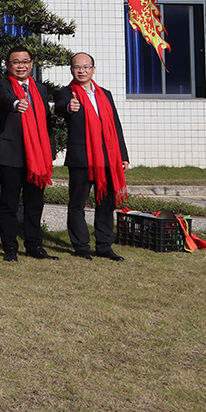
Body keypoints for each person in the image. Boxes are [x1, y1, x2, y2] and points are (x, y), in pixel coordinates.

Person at [55, 53, 129, 261]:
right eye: (77, 67)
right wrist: (69, 107)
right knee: (77, 203)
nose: (82, 70)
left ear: (93, 69)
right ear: (71, 70)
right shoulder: (65, 93)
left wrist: (123, 155)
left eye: (86, 67)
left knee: (106, 202)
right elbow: (60, 108)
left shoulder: (105, 94)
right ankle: (81, 246)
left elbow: (115, 125)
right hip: (81, 157)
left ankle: (105, 245)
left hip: (108, 156)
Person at [0, 46, 58, 261]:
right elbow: (3, 100)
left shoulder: (41, 89)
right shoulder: (1, 85)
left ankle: (34, 246)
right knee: (9, 203)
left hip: (37, 155)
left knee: (35, 203)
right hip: (11, 154)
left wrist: (50, 150)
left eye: (25, 61)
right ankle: (10, 247)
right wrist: (17, 103)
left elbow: (46, 121)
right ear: (8, 65)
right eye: (16, 62)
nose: (21, 65)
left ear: (31, 64)